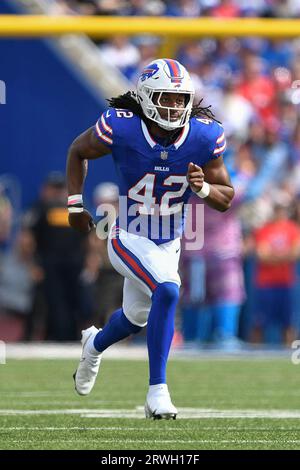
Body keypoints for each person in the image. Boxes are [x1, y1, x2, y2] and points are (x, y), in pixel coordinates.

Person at [66, 58, 234, 419]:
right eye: (164, 98)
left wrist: (203, 188)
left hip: (169, 241)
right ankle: (157, 391)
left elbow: (226, 196)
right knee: (169, 289)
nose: (173, 107)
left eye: (179, 99)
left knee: (135, 318)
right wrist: (75, 204)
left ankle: (93, 344)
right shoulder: (122, 128)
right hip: (126, 233)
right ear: (144, 97)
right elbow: (78, 150)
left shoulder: (204, 136)